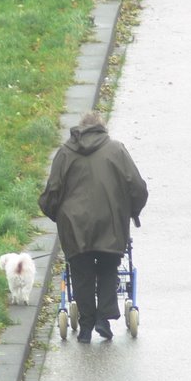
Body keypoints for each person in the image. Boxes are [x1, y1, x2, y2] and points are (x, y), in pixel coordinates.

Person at [39, 111, 148, 342]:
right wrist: (132, 211)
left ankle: (86, 325)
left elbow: (52, 191)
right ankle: (104, 319)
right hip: (111, 222)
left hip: (75, 224)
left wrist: (56, 214)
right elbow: (137, 186)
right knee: (109, 265)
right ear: (102, 129)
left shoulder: (65, 153)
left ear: (80, 129)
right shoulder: (116, 150)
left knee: (81, 270)